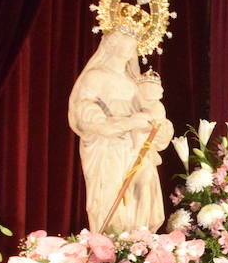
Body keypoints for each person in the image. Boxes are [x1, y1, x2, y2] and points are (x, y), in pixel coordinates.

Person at [67, 30, 173, 233]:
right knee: (111, 199)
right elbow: (85, 110)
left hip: (137, 148)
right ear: (111, 42)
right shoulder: (96, 76)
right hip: (109, 148)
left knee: (142, 193)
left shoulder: (137, 82)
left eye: (133, 40)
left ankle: (139, 244)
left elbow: (154, 112)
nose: (130, 45)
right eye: (125, 39)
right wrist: (124, 123)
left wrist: (160, 130)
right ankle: (111, 244)